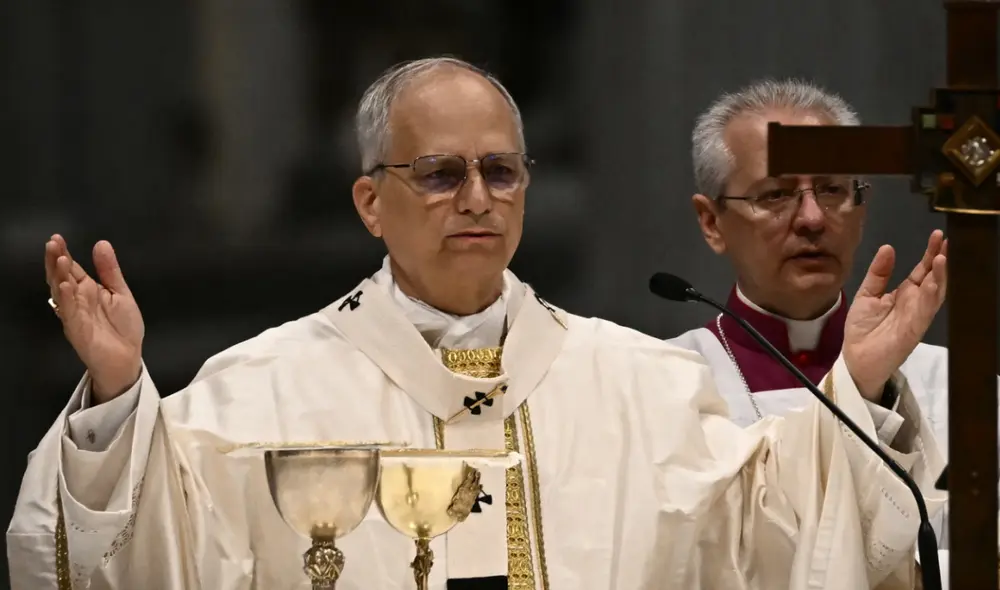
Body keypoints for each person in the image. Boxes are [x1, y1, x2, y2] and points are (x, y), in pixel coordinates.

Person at [8, 58, 948, 590]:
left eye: (502, 172)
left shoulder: (638, 384)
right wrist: (118, 399)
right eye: (440, 173)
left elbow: (781, 528)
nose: (477, 198)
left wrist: (854, 388)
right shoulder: (262, 387)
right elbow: (134, 549)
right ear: (370, 202)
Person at [667, 78, 985, 582]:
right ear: (711, 222)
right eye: (776, 194)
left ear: (862, 208)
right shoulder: (665, 387)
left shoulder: (955, 387)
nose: (813, 218)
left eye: (834, 189)